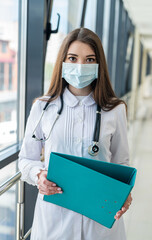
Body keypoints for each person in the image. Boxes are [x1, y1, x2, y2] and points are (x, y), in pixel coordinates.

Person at [18, 27, 132, 240]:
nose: (80, 67)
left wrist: (124, 193)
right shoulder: (43, 108)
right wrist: (39, 176)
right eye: (73, 58)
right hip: (54, 220)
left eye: (89, 60)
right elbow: (25, 160)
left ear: (99, 66)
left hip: (100, 221)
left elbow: (121, 164)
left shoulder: (115, 110)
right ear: (62, 61)